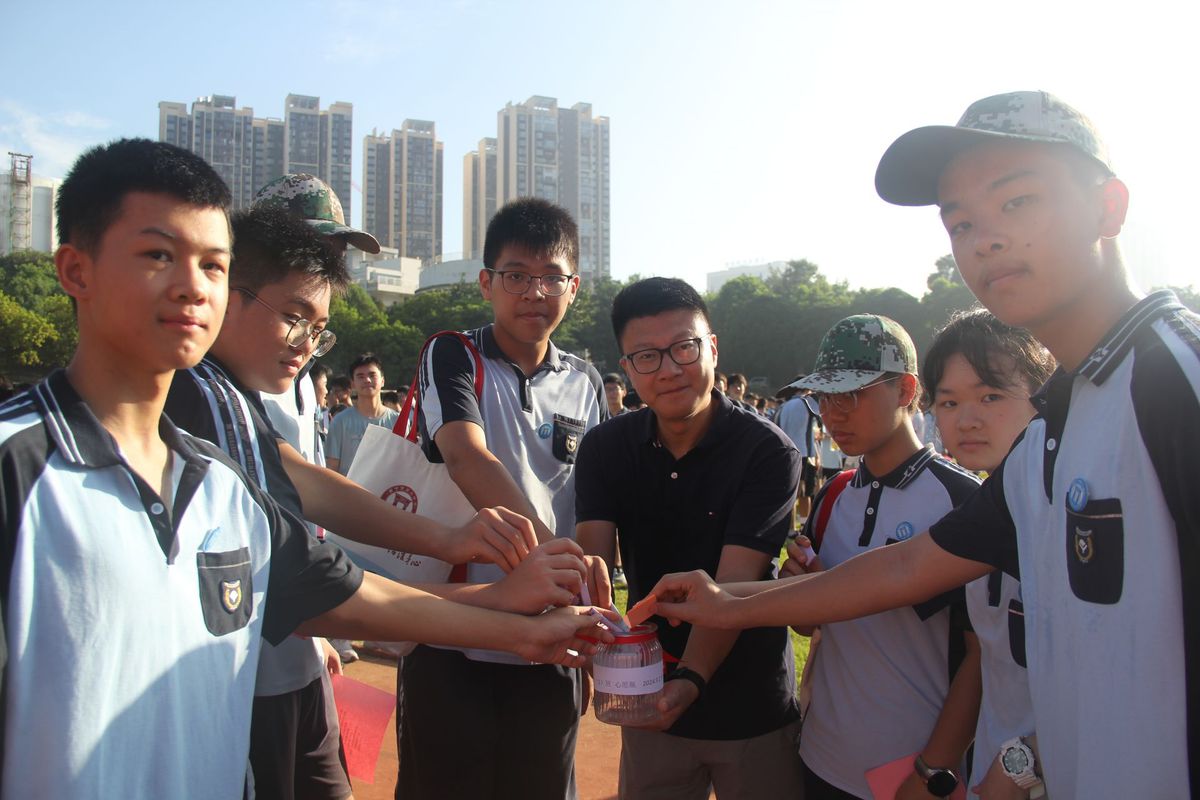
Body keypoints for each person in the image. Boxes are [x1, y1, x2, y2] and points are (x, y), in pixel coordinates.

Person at [0, 138, 609, 799]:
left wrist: (501, 605)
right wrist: (486, 582)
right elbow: (335, 560)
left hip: (275, 686)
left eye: (210, 265)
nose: (192, 288)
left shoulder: (219, 471)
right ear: (76, 270)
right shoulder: (26, 467)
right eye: (158, 256)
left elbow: (324, 581)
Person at [650, 91, 1200, 798]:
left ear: (1109, 207)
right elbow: (908, 567)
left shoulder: (1174, 383)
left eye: (1017, 202)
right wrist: (728, 602)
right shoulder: (1047, 436)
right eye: (961, 221)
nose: (984, 239)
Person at [400, 197, 607, 800]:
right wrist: (551, 559)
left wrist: (589, 607)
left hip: (552, 638)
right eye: (517, 276)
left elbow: (588, 502)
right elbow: (466, 456)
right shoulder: (452, 354)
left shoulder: (586, 381)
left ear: (574, 287)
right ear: (487, 282)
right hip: (457, 626)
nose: (534, 293)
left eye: (552, 278)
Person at [576, 277, 804, 799]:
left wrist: (694, 679)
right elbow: (594, 561)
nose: (670, 369)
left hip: (751, 706)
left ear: (712, 347)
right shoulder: (605, 448)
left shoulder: (767, 452)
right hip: (649, 698)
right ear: (628, 369)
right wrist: (596, 640)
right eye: (647, 357)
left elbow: (733, 584)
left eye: (684, 347)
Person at [779, 315, 981, 800]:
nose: (833, 414)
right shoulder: (834, 496)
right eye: (824, 398)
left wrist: (934, 769)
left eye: (851, 394)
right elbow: (814, 628)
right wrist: (804, 586)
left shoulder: (962, 502)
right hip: (821, 755)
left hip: (909, 771)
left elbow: (982, 656)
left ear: (907, 390)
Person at [924, 309, 1055, 797]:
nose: (968, 419)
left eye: (991, 396)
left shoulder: (1061, 512)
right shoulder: (984, 501)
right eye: (950, 402)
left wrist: (1023, 765)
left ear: (1045, 397)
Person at [325, 354, 400, 475]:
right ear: (353, 383)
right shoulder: (340, 421)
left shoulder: (398, 421)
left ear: (382, 380)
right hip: (350, 492)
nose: (367, 380)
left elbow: (405, 465)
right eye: (360, 376)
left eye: (372, 375)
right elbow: (332, 468)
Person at [774, 385, 820, 518]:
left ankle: (791, 526)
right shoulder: (807, 403)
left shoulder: (783, 406)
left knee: (790, 491)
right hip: (804, 453)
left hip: (786, 451)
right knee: (804, 492)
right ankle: (803, 522)